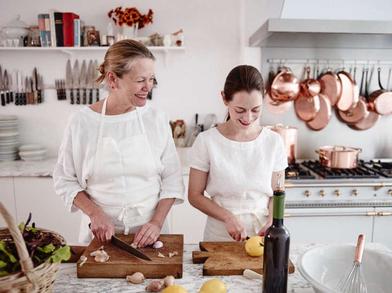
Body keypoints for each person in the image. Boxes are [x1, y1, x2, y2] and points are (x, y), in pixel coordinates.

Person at [53, 40, 184, 247]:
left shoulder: (156, 119)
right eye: (140, 80)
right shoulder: (82, 122)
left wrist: (156, 223)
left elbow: (172, 178)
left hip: (152, 236)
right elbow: (64, 179)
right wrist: (94, 214)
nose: (147, 87)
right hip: (100, 237)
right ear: (113, 79)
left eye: (151, 79)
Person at [188, 65, 287, 241]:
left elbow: (277, 194)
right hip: (219, 234)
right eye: (240, 110)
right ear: (225, 99)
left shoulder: (273, 142)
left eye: (255, 110)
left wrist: (273, 221)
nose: (248, 118)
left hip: (262, 234)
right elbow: (194, 195)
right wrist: (228, 217)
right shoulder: (207, 141)